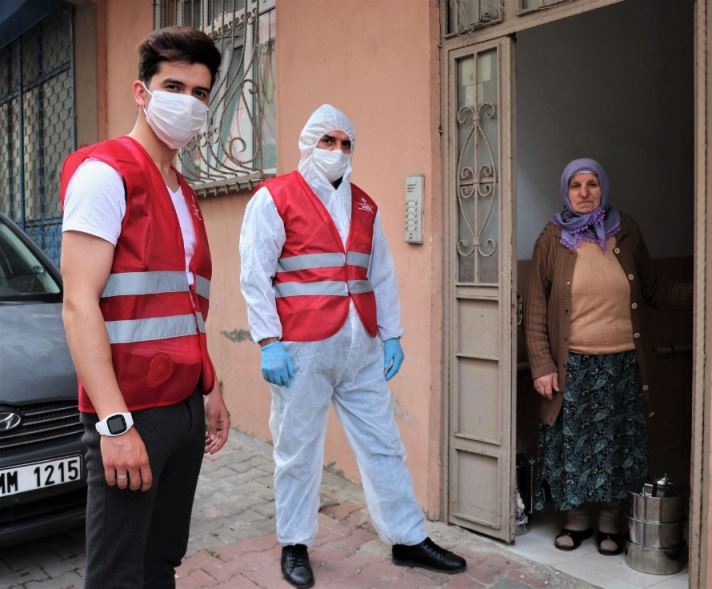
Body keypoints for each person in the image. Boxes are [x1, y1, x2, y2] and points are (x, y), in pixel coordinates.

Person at [240, 104, 466, 588]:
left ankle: (407, 538)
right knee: (297, 450)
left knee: (384, 445)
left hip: (359, 346)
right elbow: (255, 275)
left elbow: (380, 273)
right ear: (308, 144)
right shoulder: (274, 198)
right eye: (328, 141)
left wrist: (393, 334)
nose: (338, 151)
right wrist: (267, 340)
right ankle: (295, 542)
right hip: (300, 349)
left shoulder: (364, 204)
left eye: (346, 144)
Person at [59, 27, 230, 588]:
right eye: (174, 86)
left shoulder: (184, 193)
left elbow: (184, 303)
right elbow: (79, 304)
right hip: (129, 411)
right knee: (117, 576)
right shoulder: (105, 175)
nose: (188, 103)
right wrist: (113, 424)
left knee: (161, 562)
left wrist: (211, 384)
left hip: (183, 408)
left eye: (200, 93)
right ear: (142, 92)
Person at [523, 158, 691, 555]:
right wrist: (543, 365)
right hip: (574, 365)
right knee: (574, 446)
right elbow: (535, 309)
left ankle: (611, 522)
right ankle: (577, 519)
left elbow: (653, 289)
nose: (584, 193)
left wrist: (704, 292)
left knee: (620, 445)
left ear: (603, 188)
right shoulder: (552, 237)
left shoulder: (625, 230)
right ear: (565, 191)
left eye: (592, 184)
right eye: (576, 185)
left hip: (624, 363)